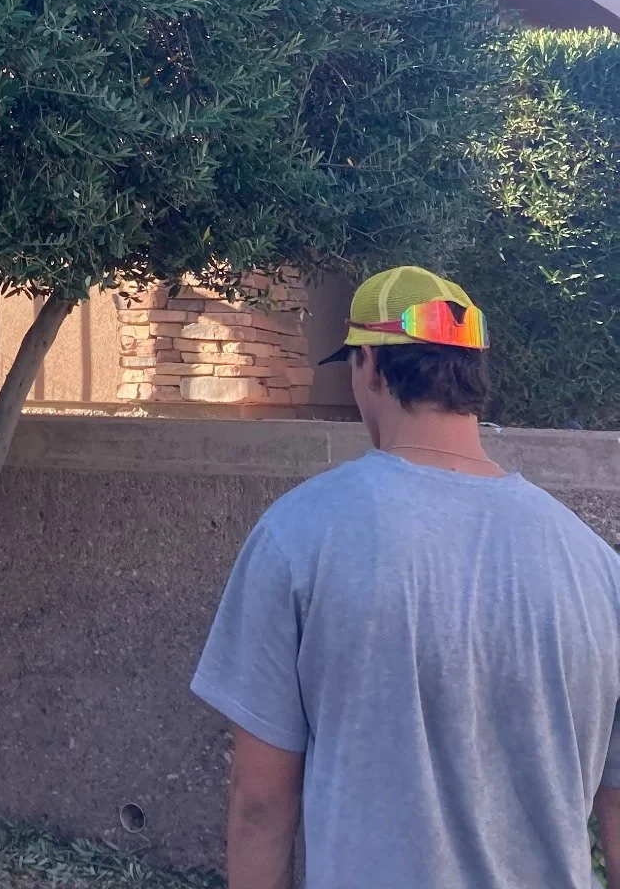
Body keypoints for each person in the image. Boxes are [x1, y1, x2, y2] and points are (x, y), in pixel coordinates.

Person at [191, 265, 620, 889]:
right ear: (472, 375)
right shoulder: (599, 570)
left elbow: (259, 803)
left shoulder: (297, 536)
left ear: (369, 365)